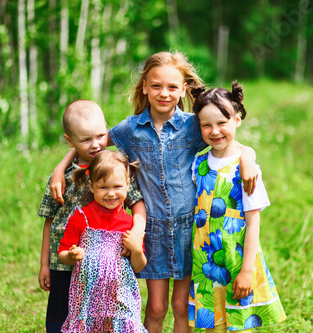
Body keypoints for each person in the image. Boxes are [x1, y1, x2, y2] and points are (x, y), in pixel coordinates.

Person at [50, 51, 258, 333]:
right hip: (153, 233)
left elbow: (227, 140)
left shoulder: (192, 125)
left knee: (182, 305)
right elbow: (93, 142)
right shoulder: (131, 128)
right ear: (145, 86)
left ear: (183, 89)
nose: (164, 93)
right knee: (156, 308)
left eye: (172, 87)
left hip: (190, 229)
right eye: (156, 86)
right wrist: (60, 167)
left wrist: (248, 158)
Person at [37, 100, 146, 333]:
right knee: (60, 314)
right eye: (86, 140)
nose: (95, 145)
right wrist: (44, 264)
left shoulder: (115, 167)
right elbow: (50, 222)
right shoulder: (62, 177)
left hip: (105, 265)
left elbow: (137, 204)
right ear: (70, 141)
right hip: (63, 259)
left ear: (106, 129)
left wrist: (136, 235)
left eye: (100, 136)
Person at [188, 82, 286, 332]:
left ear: (237, 120)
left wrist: (246, 271)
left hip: (237, 259)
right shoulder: (197, 163)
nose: (215, 131)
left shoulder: (248, 170)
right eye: (206, 125)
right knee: (213, 325)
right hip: (206, 261)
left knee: (239, 324)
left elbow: (253, 222)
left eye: (222, 122)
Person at [58, 150, 148, 333]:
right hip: (87, 299)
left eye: (117, 186)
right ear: (91, 186)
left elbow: (138, 267)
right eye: (103, 187)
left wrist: (137, 250)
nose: (111, 194)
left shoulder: (130, 224)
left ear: (128, 185)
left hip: (120, 298)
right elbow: (63, 254)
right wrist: (72, 255)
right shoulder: (81, 217)